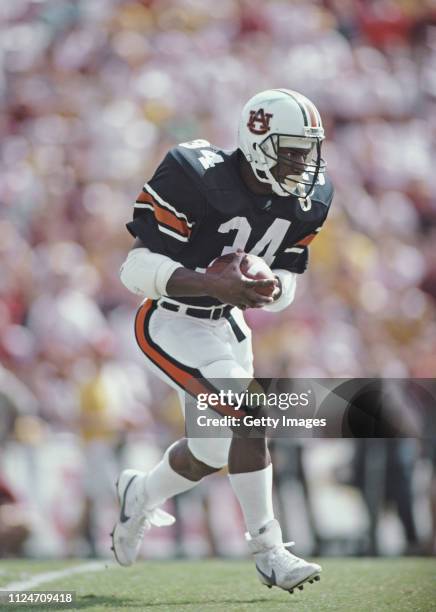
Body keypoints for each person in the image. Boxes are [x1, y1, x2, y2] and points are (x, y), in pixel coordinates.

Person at [112, 89, 334, 594]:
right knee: (252, 412)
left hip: (229, 327)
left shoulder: (310, 196)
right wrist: (210, 282)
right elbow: (135, 267)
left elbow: (289, 278)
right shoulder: (195, 175)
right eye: (292, 150)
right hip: (171, 322)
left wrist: (270, 287)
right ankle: (269, 550)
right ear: (257, 143)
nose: (305, 162)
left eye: (309, 149)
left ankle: (140, 494)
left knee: (212, 452)